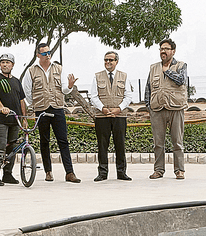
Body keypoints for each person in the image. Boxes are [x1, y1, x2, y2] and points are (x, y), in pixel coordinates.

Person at [22, 43, 81, 183]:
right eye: (44, 53)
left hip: (57, 107)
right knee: (44, 141)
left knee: (63, 141)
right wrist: (36, 105)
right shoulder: (31, 71)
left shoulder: (58, 68)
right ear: (38, 55)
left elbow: (65, 90)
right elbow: (27, 92)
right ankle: (48, 172)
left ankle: (69, 172)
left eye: (49, 53)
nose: (47, 55)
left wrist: (70, 86)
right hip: (41, 109)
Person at [145, 38, 188, 180]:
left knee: (177, 141)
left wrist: (167, 71)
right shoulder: (153, 67)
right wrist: (149, 107)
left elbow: (181, 80)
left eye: (166, 49)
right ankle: (158, 170)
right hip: (157, 109)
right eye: (161, 49)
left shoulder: (181, 65)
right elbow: (148, 89)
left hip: (176, 108)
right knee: (158, 143)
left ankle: (179, 170)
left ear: (173, 51)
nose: (163, 51)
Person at [89, 51, 134, 181]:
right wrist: (102, 108)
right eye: (105, 60)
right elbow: (93, 96)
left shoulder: (124, 76)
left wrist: (118, 109)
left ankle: (121, 172)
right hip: (102, 116)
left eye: (110, 60)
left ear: (116, 61)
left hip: (119, 116)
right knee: (102, 145)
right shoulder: (97, 76)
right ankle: (102, 173)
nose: (107, 62)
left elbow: (128, 95)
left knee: (120, 144)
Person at [0, 53, 28, 186]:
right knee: (0, 146)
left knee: (13, 147)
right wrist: (1, 107)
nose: (5, 64)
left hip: (14, 119)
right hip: (1, 119)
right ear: (0, 65)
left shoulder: (16, 81)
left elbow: (22, 100)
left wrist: (24, 118)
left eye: (8, 62)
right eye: (2, 62)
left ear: (12, 65)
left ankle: (8, 174)